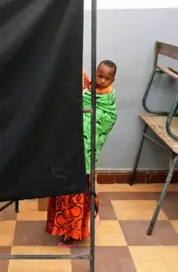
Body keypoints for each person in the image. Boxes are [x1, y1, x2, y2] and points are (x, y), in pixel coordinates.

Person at [45, 60, 118, 248]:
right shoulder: (89, 88)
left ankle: (76, 233)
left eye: (106, 78)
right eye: (99, 76)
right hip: (71, 151)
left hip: (83, 157)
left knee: (78, 193)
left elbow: (107, 118)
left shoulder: (108, 98)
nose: (102, 80)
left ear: (113, 80)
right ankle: (64, 228)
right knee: (63, 187)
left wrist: (82, 115)